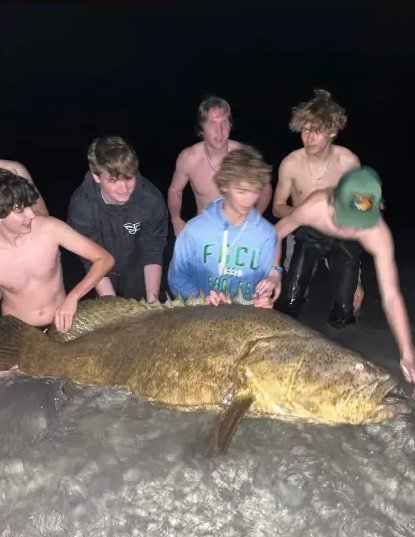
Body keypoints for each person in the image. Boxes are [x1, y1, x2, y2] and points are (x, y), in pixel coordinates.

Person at [275, 166, 415, 383]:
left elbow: (391, 295)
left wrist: (408, 354)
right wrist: (273, 272)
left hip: (346, 249)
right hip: (312, 238)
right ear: (334, 200)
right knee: (289, 303)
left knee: (344, 313)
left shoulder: (377, 233)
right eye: (347, 216)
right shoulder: (315, 206)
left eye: (359, 221)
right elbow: (275, 234)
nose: (351, 228)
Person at [272, 89, 364, 313]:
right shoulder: (291, 163)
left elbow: (363, 205)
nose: (309, 138)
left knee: (351, 305)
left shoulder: (349, 162)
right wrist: (306, 215)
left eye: (317, 131)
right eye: (305, 130)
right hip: (302, 232)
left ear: (332, 132)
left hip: (338, 232)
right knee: (289, 302)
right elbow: (277, 207)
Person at [0, 170, 114, 333]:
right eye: (20, 211)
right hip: (18, 333)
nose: (31, 214)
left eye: (29, 206)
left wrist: (73, 297)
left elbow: (105, 259)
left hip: (63, 323)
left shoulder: (50, 228)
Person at [168, 146, 281, 308]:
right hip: (200, 315)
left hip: (245, 317)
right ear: (225, 186)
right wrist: (200, 298)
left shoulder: (266, 234)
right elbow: (177, 278)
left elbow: (265, 284)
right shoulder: (194, 230)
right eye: (242, 191)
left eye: (255, 191)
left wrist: (264, 299)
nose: (249, 200)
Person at [68, 135, 168, 302]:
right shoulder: (82, 206)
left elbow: (153, 251)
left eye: (129, 177)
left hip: (138, 267)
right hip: (100, 270)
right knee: (110, 311)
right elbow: (92, 259)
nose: (124, 188)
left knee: (149, 308)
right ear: (96, 176)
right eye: (113, 180)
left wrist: (153, 303)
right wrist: (114, 307)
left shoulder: (150, 199)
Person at [168, 95, 272, 237]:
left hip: (239, 230)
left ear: (230, 125)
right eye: (212, 123)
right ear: (202, 128)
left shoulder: (243, 156)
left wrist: (255, 216)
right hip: (204, 230)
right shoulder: (189, 158)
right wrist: (175, 219)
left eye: (224, 122)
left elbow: (265, 187)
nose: (219, 130)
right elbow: (175, 190)